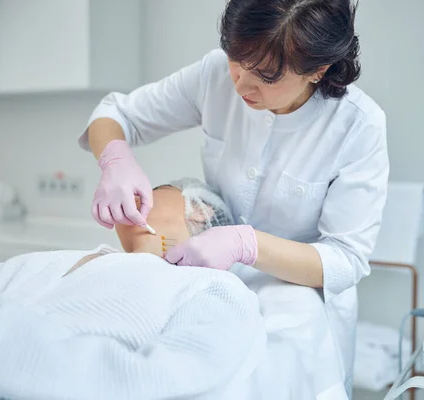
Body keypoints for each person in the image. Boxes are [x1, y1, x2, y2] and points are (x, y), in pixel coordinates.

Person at [79, 0, 389, 394]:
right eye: (236, 60)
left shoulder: (357, 127)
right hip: (208, 269)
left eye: (267, 76)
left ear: (318, 70)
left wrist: (247, 244)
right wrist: (115, 159)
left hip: (296, 289)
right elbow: (116, 114)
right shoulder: (216, 75)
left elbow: (346, 260)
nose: (241, 84)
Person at [0, 180, 270, 400]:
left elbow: (172, 382)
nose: (134, 194)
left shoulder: (213, 287)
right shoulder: (53, 260)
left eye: (155, 188)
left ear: (199, 210)